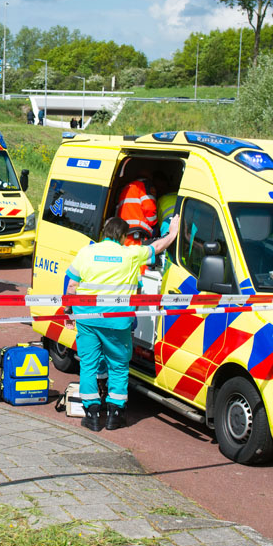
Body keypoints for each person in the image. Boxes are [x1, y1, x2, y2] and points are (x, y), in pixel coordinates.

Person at [61, 215, 179, 432]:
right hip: (117, 320)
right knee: (118, 366)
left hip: (87, 318)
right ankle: (115, 415)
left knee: (88, 365)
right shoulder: (131, 254)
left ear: (105, 232)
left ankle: (93, 415)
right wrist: (172, 233)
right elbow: (157, 247)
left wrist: (68, 312)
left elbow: (71, 286)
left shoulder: (87, 251)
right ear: (124, 237)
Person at [116, 175, 158, 243]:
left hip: (124, 234)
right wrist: (154, 224)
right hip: (138, 235)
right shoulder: (145, 185)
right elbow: (149, 208)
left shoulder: (126, 188)